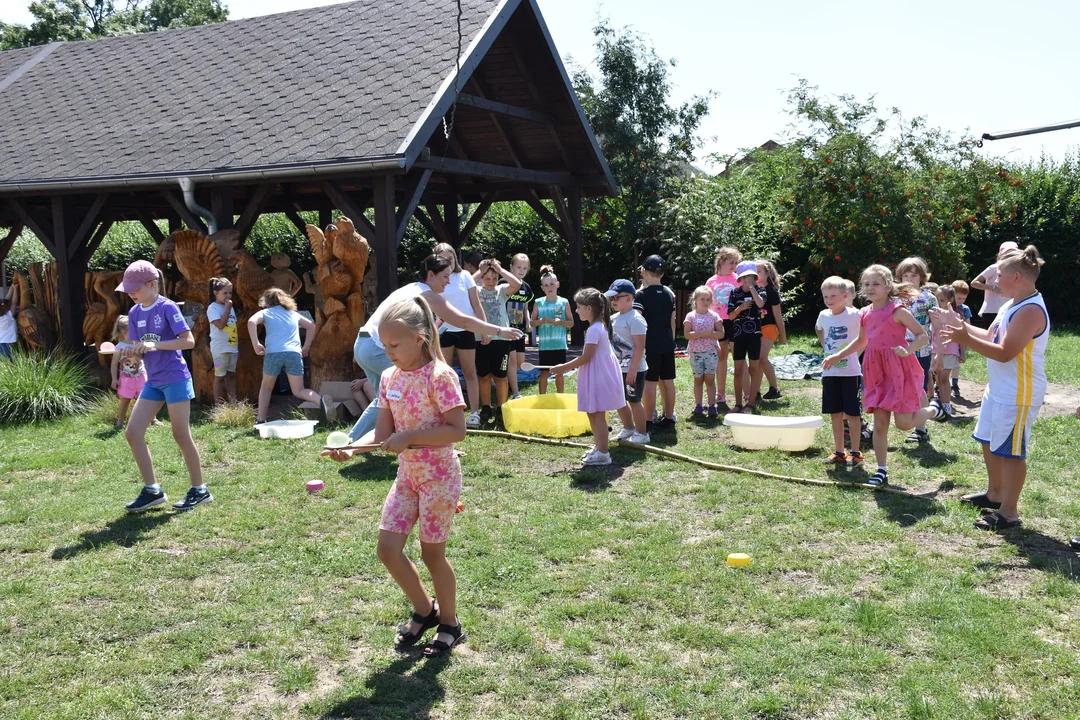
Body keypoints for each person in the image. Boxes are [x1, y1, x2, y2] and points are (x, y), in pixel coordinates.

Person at [322, 297, 468, 656]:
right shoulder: (388, 377)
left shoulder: (441, 376)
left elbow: (457, 430)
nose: (388, 352)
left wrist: (409, 438)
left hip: (439, 478)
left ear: (419, 338)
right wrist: (353, 448)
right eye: (384, 345)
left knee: (433, 555)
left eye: (394, 345)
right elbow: (382, 433)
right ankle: (425, 609)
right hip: (407, 478)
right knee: (388, 550)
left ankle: (450, 622)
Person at [349, 255, 522, 442]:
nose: (449, 282)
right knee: (418, 391)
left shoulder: (410, 289)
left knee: (384, 399)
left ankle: (348, 444)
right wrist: (499, 330)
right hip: (377, 348)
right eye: (445, 276)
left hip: (362, 345)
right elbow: (462, 320)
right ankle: (433, 443)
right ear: (431, 275)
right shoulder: (425, 293)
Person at [939, 245, 1048, 531]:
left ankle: (1009, 512)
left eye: (999, 275)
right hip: (999, 389)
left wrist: (964, 337)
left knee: (1011, 452)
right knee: (988, 440)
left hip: (1018, 394)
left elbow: (1004, 352)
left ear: (1017, 278)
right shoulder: (1011, 304)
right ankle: (995, 494)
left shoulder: (1031, 310)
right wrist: (959, 324)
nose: (994, 281)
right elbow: (991, 335)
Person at [823, 265, 938, 487]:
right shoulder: (865, 313)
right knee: (880, 423)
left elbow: (922, 335)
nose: (870, 288)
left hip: (898, 369)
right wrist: (838, 355)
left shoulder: (898, 310)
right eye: (866, 284)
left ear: (887, 285)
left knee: (904, 424)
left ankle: (934, 409)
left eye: (875, 283)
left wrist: (909, 350)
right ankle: (881, 470)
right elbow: (861, 342)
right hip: (875, 371)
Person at [115, 260, 210, 512]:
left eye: (135, 288)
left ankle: (200, 490)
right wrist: (132, 351)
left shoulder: (167, 308)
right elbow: (140, 352)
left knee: (180, 435)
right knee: (132, 433)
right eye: (128, 289)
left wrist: (155, 345)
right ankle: (152, 490)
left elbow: (188, 341)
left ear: (152, 284)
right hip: (154, 380)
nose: (130, 293)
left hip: (175, 378)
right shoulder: (134, 314)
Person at [549, 288, 626, 466]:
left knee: (598, 414)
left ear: (589, 308)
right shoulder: (598, 326)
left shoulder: (594, 329)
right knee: (593, 413)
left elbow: (586, 357)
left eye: (578, 307)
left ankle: (604, 453)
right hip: (597, 373)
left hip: (598, 375)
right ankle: (599, 447)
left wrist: (563, 368)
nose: (576, 311)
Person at [248, 287, 328, 425]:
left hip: (273, 353)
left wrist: (256, 344)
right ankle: (321, 400)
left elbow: (251, 322)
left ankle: (261, 420)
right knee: (299, 390)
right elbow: (311, 326)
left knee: (266, 388)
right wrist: (306, 346)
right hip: (294, 353)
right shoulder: (293, 314)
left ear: (266, 302)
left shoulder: (266, 312)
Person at [433, 243, 485, 429]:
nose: (448, 262)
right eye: (444, 259)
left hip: (465, 331)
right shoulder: (433, 279)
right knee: (444, 374)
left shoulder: (465, 276)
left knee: (470, 372)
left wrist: (484, 329)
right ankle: (447, 414)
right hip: (444, 332)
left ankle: (474, 413)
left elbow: (476, 305)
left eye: (451, 258)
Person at [816, 277, 864, 466]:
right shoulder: (823, 315)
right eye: (825, 296)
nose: (829, 300)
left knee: (852, 414)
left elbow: (864, 337)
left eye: (833, 296)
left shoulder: (855, 315)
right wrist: (825, 346)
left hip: (851, 373)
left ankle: (856, 453)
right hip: (830, 373)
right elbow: (819, 329)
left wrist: (856, 353)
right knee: (835, 413)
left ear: (845, 296)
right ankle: (839, 452)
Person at [474, 258, 521, 426]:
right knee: (484, 376)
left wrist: (500, 270)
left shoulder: (501, 290)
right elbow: (464, 286)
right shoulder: (476, 291)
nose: (491, 282)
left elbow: (517, 284)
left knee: (501, 376)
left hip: (501, 340)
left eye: (494, 279)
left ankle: (502, 408)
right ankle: (486, 407)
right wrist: (480, 270)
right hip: (481, 340)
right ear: (481, 279)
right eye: (487, 279)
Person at [896, 257, 938, 444]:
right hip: (896, 350)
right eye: (905, 275)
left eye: (913, 275)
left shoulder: (929, 298)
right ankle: (879, 424)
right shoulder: (894, 297)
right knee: (895, 386)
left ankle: (921, 429)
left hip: (921, 351)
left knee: (919, 389)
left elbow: (936, 327)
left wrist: (940, 352)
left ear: (922, 277)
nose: (909, 279)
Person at [636, 255, 677, 430]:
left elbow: (638, 321)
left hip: (649, 344)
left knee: (650, 383)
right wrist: (671, 341)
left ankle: (648, 420)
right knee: (668, 381)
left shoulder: (640, 295)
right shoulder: (670, 293)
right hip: (667, 342)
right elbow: (673, 321)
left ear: (643, 272)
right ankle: (669, 418)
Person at [605, 279, 650, 444]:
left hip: (634, 370)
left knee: (634, 401)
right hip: (618, 369)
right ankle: (628, 428)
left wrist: (632, 369)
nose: (613, 301)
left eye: (617, 297)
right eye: (611, 298)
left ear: (629, 298)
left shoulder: (635, 319)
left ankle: (642, 433)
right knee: (619, 400)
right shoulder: (613, 318)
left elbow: (639, 347)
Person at [706, 246, 741, 412]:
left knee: (738, 356)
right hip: (718, 322)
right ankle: (720, 393)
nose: (734, 266)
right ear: (721, 262)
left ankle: (745, 394)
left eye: (736, 263)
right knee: (721, 356)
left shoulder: (739, 279)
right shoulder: (711, 282)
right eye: (731, 262)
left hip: (736, 320)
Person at [727, 261, 765, 414]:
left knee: (754, 369)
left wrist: (752, 289)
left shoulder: (760, 290)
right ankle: (737, 404)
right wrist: (740, 308)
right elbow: (730, 316)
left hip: (754, 335)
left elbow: (761, 304)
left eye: (751, 276)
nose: (748, 279)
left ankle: (750, 402)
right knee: (738, 370)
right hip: (739, 335)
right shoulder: (735, 293)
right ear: (740, 279)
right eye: (745, 277)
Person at [683, 285, 724, 418]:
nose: (705, 302)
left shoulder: (714, 316)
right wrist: (701, 334)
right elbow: (687, 335)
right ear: (695, 300)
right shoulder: (690, 316)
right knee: (698, 380)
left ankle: (712, 405)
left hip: (710, 353)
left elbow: (721, 334)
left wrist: (711, 334)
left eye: (708, 299)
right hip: (695, 353)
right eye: (702, 299)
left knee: (710, 380)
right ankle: (699, 405)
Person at [531, 265, 572, 394]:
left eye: (552, 284)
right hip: (544, 346)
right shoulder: (538, 302)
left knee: (559, 373)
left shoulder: (564, 302)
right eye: (546, 285)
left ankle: (561, 396)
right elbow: (532, 323)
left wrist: (561, 322)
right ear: (542, 288)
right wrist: (542, 321)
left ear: (558, 284)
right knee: (544, 373)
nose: (549, 287)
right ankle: (542, 397)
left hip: (559, 345)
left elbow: (571, 323)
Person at [754, 259, 787, 401]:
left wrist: (783, 335)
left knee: (762, 357)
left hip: (770, 327)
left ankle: (774, 388)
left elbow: (778, 315)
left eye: (759, 271)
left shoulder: (771, 291)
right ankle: (755, 392)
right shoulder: (753, 289)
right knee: (757, 360)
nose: (755, 274)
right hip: (756, 328)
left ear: (767, 273)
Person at [928, 284, 961, 421]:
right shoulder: (932, 314)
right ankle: (942, 403)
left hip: (949, 350)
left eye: (942, 300)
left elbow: (960, 333)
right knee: (939, 378)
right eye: (937, 299)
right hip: (935, 349)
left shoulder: (954, 315)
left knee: (943, 378)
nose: (939, 302)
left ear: (951, 300)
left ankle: (946, 405)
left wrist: (962, 352)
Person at [503, 253, 533, 400]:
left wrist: (527, 321)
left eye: (525, 268)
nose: (521, 270)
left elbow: (526, 308)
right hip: (507, 330)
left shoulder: (526, 288)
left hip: (520, 330)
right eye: (519, 267)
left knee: (520, 362)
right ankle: (515, 393)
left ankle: (507, 382)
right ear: (511, 267)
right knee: (512, 361)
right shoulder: (503, 282)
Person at [110, 316, 147, 429]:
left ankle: (153, 419)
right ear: (126, 332)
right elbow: (114, 364)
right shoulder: (120, 347)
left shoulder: (139, 344)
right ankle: (120, 421)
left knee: (146, 398)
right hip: (126, 379)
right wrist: (114, 379)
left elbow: (145, 359)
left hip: (141, 376)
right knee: (125, 400)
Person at [206, 277, 238, 403]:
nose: (228, 296)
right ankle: (219, 407)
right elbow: (220, 325)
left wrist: (228, 309)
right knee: (220, 377)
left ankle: (233, 404)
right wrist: (227, 310)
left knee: (231, 375)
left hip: (232, 347)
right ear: (215, 293)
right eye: (225, 293)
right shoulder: (212, 308)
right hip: (220, 348)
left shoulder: (229, 307)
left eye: (230, 293)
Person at [971, 240, 1020, 323]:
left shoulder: (1018, 271)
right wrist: (993, 288)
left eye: (1012, 253)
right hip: (992, 310)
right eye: (1007, 253)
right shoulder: (994, 268)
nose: (1009, 256)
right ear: (1001, 255)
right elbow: (974, 283)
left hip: (1009, 308)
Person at [950, 279, 973, 395]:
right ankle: (938, 383)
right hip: (948, 340)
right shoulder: (946, 306)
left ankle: (954, 384)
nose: (961, 301)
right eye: (959, 298)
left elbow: (968, 325)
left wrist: (967, 341)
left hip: (960, 339)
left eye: (964, 298)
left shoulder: (965, 309)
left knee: (957, 363)